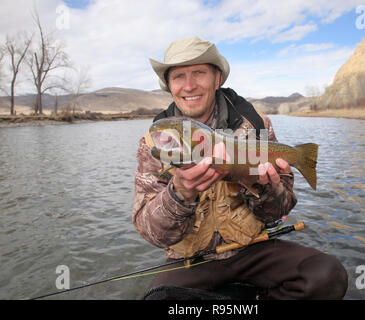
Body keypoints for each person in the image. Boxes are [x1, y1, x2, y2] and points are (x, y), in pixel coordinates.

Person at [132, 36, 348, 299]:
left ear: (217, 78)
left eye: (199, 72)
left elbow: (280, 210)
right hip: (192, 261)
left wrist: (265, 188)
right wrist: (179, 194)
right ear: (169, 85)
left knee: (326, 274)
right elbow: (153, 233)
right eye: (178, 76)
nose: (189, 85)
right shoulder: (155, 142)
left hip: (253, 250)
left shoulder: (257, 124)